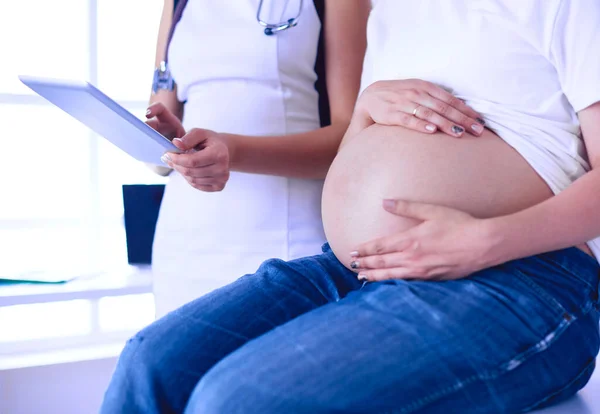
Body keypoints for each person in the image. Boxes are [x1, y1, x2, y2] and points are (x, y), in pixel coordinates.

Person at [102, 0, 600, 412]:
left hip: (519, 275)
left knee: (239, 401)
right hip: (359, 267)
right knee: (152, 366)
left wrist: (482, 241)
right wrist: (366, 108)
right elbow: (363, 148)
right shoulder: (395, 10)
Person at [145, 0, 369, 317]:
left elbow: (352, 138)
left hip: (285, 242)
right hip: (183, 246)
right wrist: (167, 140)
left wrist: (233, 152)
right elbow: (158, 152)